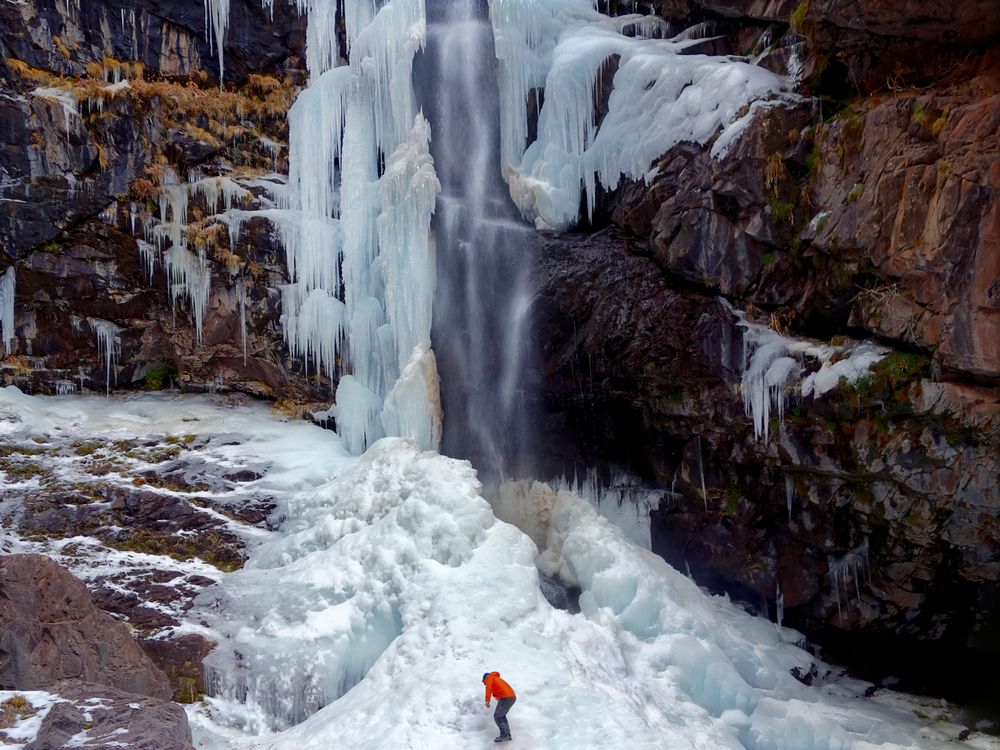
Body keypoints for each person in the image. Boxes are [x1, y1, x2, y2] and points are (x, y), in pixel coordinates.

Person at [482, 671, 516, 742]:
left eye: (484, 682)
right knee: (501, 715)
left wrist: (487, 700)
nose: (485, 684)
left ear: (485, 678)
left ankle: (505, 735)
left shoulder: (489, 678)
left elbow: (489, 688)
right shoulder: (496, 678)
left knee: (498, 716)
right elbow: (499, 691)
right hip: (511, 697)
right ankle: (507, 735)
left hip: (506, 697)